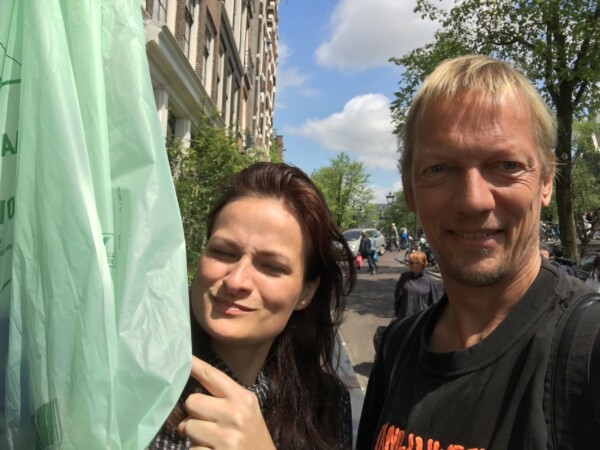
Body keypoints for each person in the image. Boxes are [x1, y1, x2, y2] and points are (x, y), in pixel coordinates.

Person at [356, 55, 599, 449]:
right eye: (439, 168)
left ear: (546, 181)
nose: (473, 201)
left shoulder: (589, 353)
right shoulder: (397, 349)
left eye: (506, 164)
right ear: (409, 189)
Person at [151, 162, 356, 450]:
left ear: (306, 291)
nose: (236, 281)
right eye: (223, 252)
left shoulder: (327, 406)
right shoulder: (133, 381)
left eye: (272, 266)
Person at [393, 251, 443, 320]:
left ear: (420, 264)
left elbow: (434, 303)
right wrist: (396, 314)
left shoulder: (430, 281)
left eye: (411, 263)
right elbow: (397, 296)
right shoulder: (404, 277)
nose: (409, 265)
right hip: (404, 318)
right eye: (409, 262)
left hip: (420, 320)